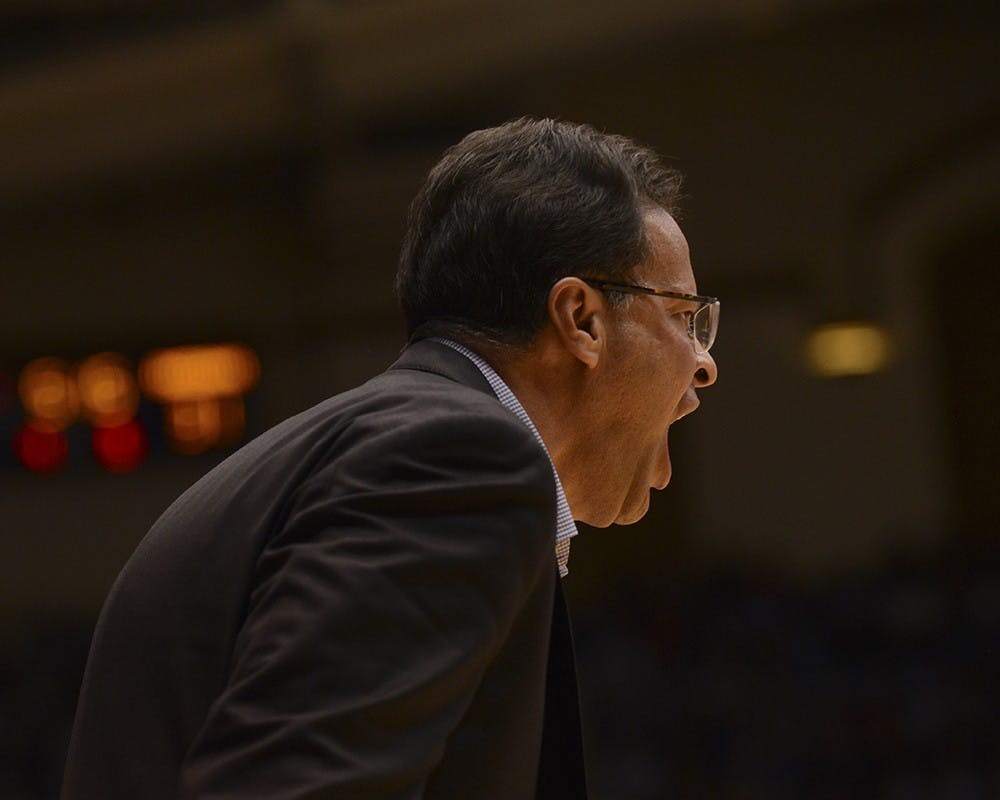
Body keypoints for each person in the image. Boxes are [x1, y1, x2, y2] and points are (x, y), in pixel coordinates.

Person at [61, 117, 718, 800]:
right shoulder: (460, 458)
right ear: (580, 319)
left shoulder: (385, 444)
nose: (704, 365)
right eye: (682, 318)